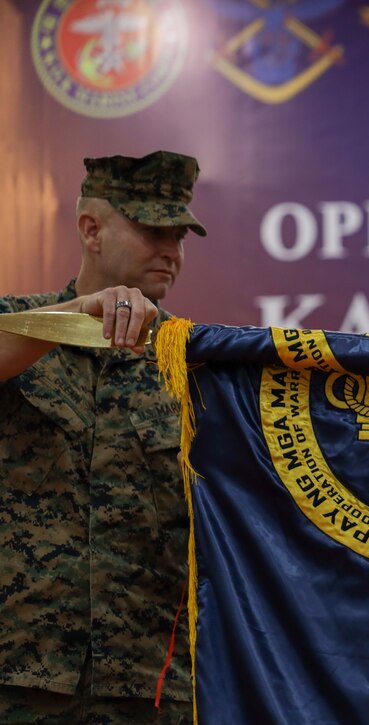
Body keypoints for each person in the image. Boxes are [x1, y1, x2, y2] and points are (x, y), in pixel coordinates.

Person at [0, 150, 207, 723]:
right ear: (91, 230)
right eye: (153, 230)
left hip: (150, 682)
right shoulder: (19, 325)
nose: (171, 251)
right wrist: (75, 317)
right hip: (20, 673)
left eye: (179, 236)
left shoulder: (193, 363)